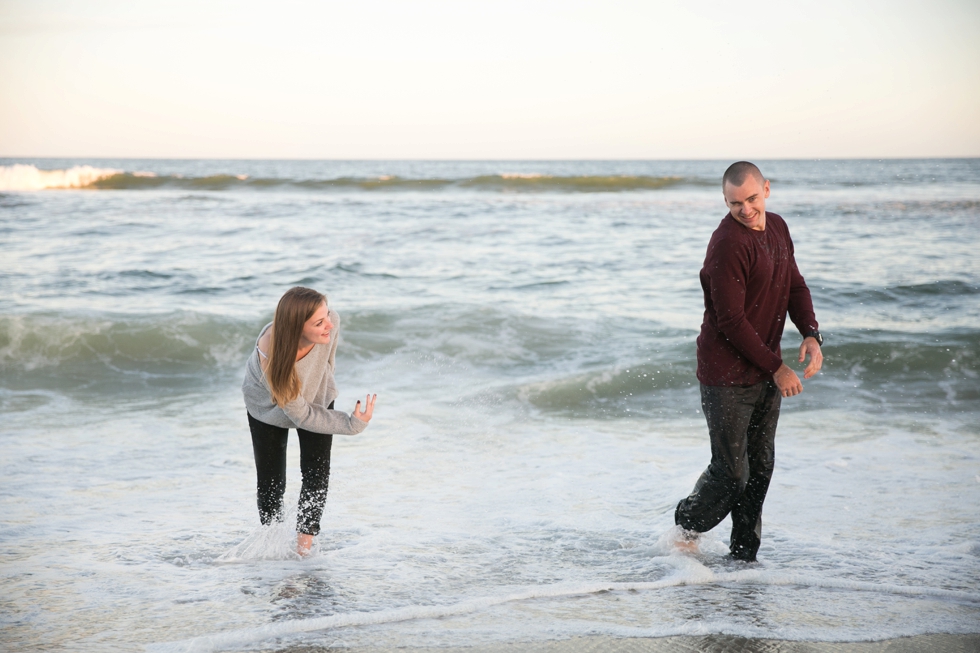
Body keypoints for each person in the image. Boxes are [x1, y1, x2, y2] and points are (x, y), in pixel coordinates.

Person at [674, 161, 823, 562]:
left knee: (760, 470)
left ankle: (743, 560)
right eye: (735, 203)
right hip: (726, 375)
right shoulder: (727, 244)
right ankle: (685, 525)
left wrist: (810, 332)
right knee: (730, 474)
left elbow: (794, 284)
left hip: (762, 371)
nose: (746, 209)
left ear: (767, 190)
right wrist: (777, 367)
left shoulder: (777, 227)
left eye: (752, 199)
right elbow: (731, 321)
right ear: (725, 201)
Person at [242, 286, 377, 556]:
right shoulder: (274, 359)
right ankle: (273, 548)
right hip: (267, 407)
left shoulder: (332, 320)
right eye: (319, 322)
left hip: (315, 397)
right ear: (295, 328)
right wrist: (351, 425)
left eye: (326, 315)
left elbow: (327, 362)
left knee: (316, 474)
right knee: (271, 482)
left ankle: (303, 553)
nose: (329, 324)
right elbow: (301, 415)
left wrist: (322, 388)